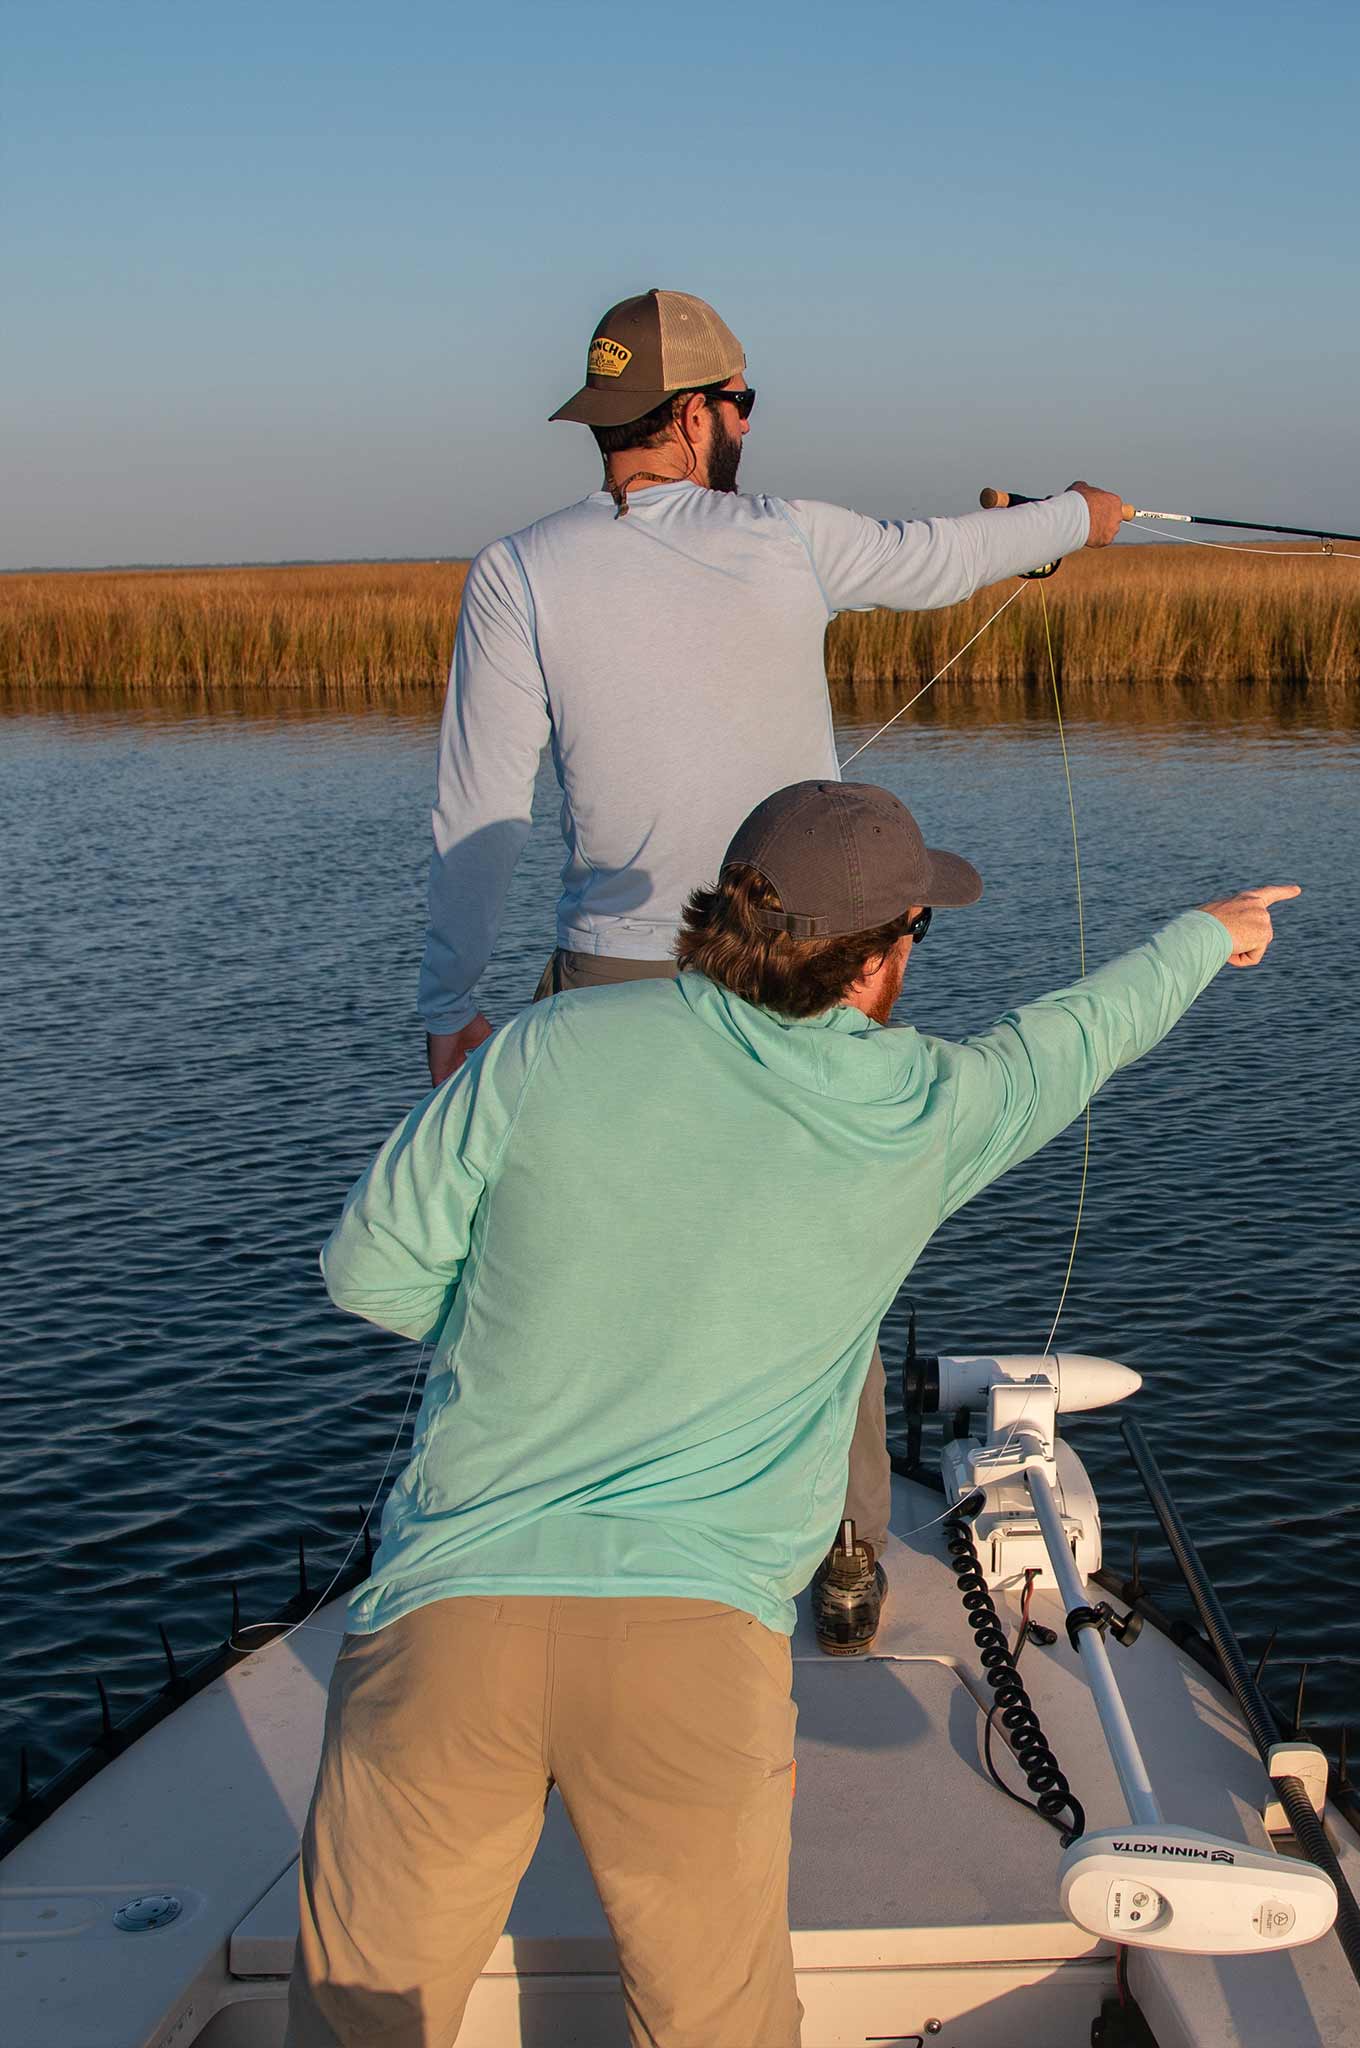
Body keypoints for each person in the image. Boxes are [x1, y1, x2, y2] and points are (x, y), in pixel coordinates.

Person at [293, 776, 1298, 2048]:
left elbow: (368, 1272)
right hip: (691, 1651)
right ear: (877, 965)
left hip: (443, 1624)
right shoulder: (922, 1107)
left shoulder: (551, 1044)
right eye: (914, 935)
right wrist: (1209, 932)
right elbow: (1075, 1036)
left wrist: (549, 1333)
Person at [417, 289, 1127, 1616]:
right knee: (824, 1257)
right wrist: (1078, 520)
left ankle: (598, 1538)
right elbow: (938, 556)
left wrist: (451, 1004)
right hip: (793, 971)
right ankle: (848, 1551)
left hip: (607, 983)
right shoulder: (786, 537)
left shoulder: (516, 571)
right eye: (741, 404)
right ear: (694, 416)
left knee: (592, 1262)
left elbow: (482, 814)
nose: (745, 426)